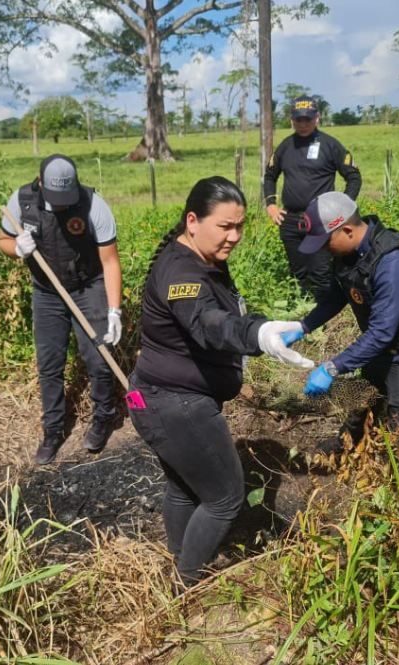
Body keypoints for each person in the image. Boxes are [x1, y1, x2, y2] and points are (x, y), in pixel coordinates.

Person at [126, 176, 314, 586]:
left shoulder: (203, 257)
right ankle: (189, 581)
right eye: (225, 226)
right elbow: (207, 323)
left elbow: (222, 312)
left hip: (156, 398)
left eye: (240, 225)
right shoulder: (181, 273)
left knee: (183, 487)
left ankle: (177, 561)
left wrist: (254, 326)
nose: (234, 236)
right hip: (174, 404)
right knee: (225, 497)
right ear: (192, 221)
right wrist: (257, 335)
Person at [287, 192, 399, 453]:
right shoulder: (348, 254)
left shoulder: (393, 263)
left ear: (347, 230)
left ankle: (396, 485)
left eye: (325, 242)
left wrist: (331, 367)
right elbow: (334, 297)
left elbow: (383, 332)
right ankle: (347, 447)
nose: (323, 250)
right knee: (363, 400)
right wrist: (303, 327)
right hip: (382, 348)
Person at [0, 154, 123, 465]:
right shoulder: (22, 201)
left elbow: (110, 262)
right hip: (46, 293)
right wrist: (16, 249)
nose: (64, 205)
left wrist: (114, 310)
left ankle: (104, 416)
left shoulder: (94, 205)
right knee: (49, 361)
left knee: (98, 354)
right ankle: (53, 429)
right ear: (41, 183)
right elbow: (2, 239)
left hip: (87, 287)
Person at [263, 94, 362, 301]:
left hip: (321, 221)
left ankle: (324, 318)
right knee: (297, 275)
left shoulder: (330, 145)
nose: (303, 124)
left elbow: (353, 177)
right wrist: (270, 205)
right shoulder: (285, 146)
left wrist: (342, 209)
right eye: (299, 120)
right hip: (289, 220)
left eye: (307, 119)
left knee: (321, 274)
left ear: (317, 117)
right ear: (292, 120)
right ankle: (299, 315)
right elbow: (270, 175)